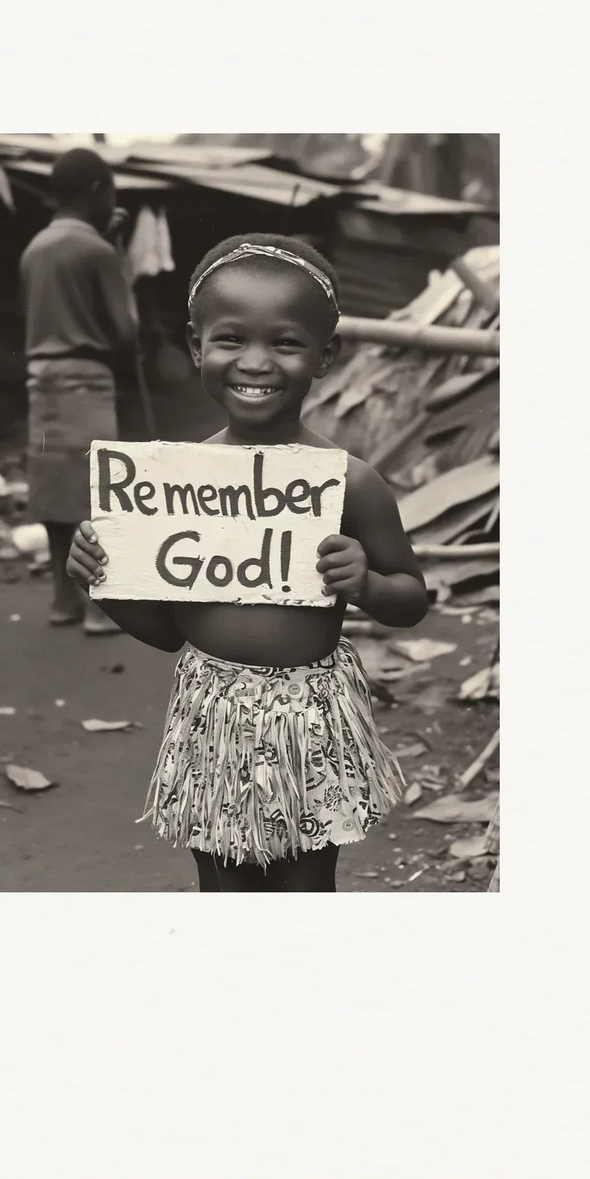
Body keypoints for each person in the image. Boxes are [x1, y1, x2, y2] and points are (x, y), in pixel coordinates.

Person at [66, 233, 429, 890]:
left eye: (285, 343)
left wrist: (369, 583)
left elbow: (412, 597)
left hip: (310, 717)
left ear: (325, 356)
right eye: (231, 339)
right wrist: (103, 583)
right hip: (212, 713)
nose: (255, 362)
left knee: (306, 884)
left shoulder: (349, 482)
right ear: (196, 345)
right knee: (224, 884)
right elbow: (169, 629)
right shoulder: (172, 488)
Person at [21, 147, 136, 634]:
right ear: (97, 192)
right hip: (87, 381)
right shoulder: (97, 251)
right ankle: (99, 606)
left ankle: (63, 601)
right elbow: (125, 329)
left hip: (41, 383)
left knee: (53, 493)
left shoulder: (36, 249)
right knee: (99, 492)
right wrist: (117, 254)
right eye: (109, 190)